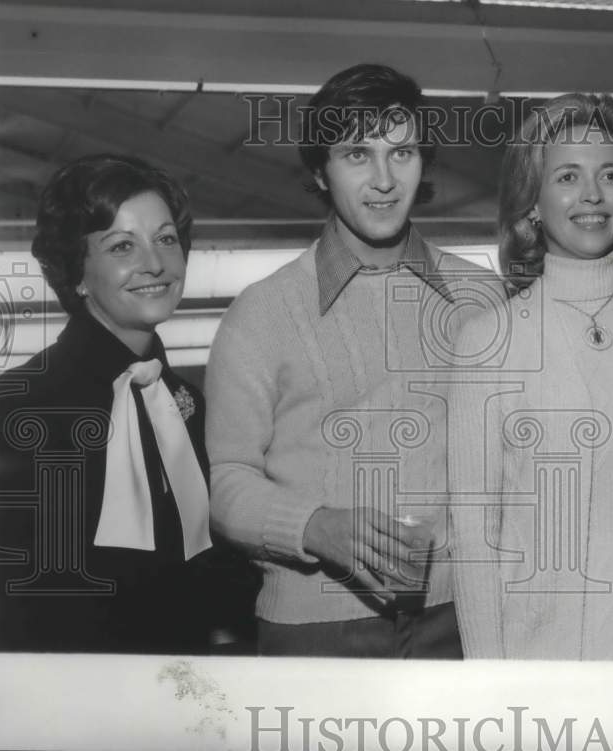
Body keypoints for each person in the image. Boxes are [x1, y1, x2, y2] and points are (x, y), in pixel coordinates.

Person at [206, 64, 488, 658]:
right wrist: (313, 525)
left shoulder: (481, 300)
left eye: (402, 151)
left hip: (463, 618)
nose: (384, 179)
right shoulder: (261, 313)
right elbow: (228, 484)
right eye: (357, 153)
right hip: (315, 631)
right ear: (320, 170)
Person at [449, 93, 613, 660]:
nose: (592, 195)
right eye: (567, 175)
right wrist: (491, 690)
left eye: (609, 174)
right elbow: (474, 534)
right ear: (532, 202)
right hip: (548, 670)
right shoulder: (488, 342)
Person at [0, 154, 233, 653]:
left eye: (166, 239)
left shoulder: (188, 401)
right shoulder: (19, 405)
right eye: (122, 245)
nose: (155, 263)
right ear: (75, 273)